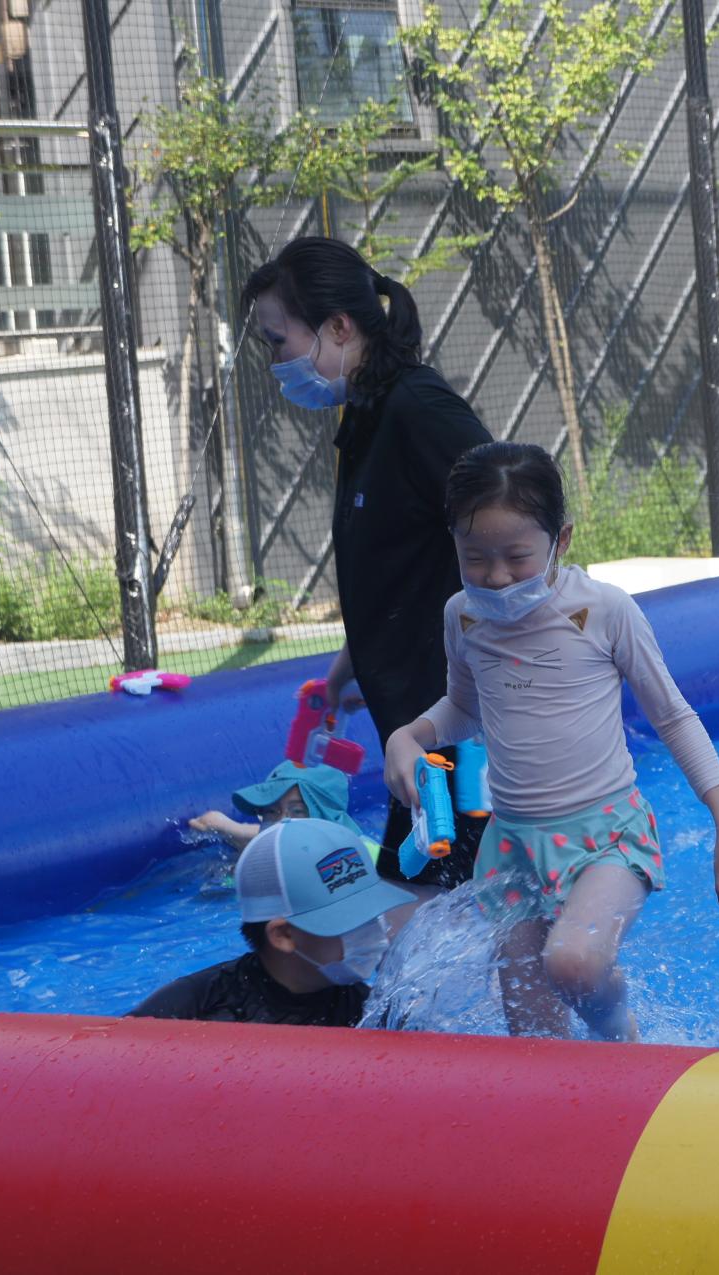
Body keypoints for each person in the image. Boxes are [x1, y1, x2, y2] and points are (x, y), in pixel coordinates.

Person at [384, 442, 719, 1043]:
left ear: (561, 540)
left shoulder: (604, 610)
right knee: (531, 1025)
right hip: (513, 846)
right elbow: (464, 707)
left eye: (517, 557)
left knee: (574, 964)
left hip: (605, 834)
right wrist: (410, 736)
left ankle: (622, 1039)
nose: (496, 576)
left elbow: (673, 716)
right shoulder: (464, 616)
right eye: (474, 558)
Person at [241, 237, 492, 889]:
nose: (275, 362)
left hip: (456, 738)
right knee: (420, 912)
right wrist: (343, 673)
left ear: (339, 327)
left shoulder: (417, 409)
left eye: (277, 340)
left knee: (440, 913)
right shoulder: (366, 419)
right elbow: (394, 573)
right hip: (415, 741)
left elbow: (514, 511)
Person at [129, 819, 413, 1026]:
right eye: (352, 921)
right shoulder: (193, 1010)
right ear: (283, 935)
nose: (377, 934)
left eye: (372, 915)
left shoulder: (372, 1013)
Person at [187, 760, 367, 851]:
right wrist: (225, 827)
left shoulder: (365, 859)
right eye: (271, 811)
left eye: (298, 811)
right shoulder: (266, 855)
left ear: (326, 817)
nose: (281, 823)